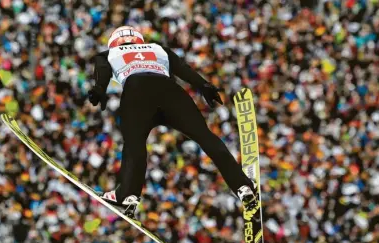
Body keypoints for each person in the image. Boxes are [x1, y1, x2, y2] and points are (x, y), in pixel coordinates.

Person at [88, 26, 258, 218]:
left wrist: (99, 90)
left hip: (137, 91)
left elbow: (102, 73)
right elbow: (182, 68)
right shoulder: (158, 48)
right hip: (170, 91)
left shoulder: (108, 53)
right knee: (205, 137)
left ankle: (128, 195)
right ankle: (243, 186)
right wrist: (204, 85)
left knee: (134, 146)